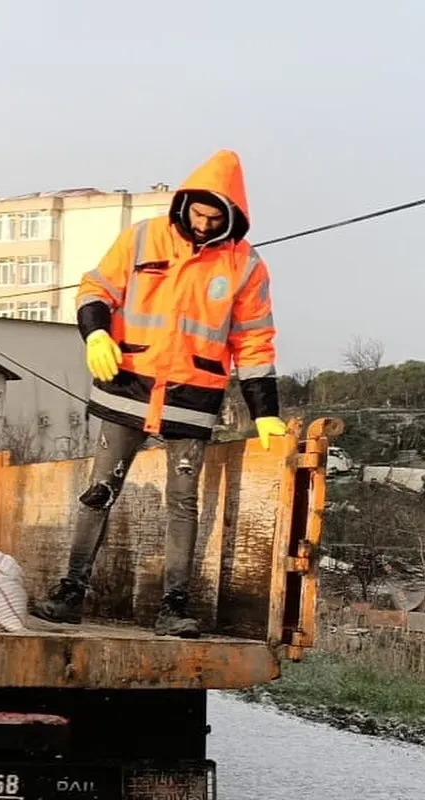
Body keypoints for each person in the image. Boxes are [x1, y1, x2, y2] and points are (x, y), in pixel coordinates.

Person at [32, 149, 286, 638]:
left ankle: (174, 607)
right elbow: (94, 289)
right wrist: (96, 333)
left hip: (193, 398)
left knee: (183, 503)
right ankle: (69, 594)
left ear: (231, 216)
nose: (205, 225)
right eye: (199, 214)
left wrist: (266, 412)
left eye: (216, 219)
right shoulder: (142, 237)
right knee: (99, 492)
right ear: (185, 203)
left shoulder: (245, 266)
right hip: (128, 387)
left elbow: (254, 338)